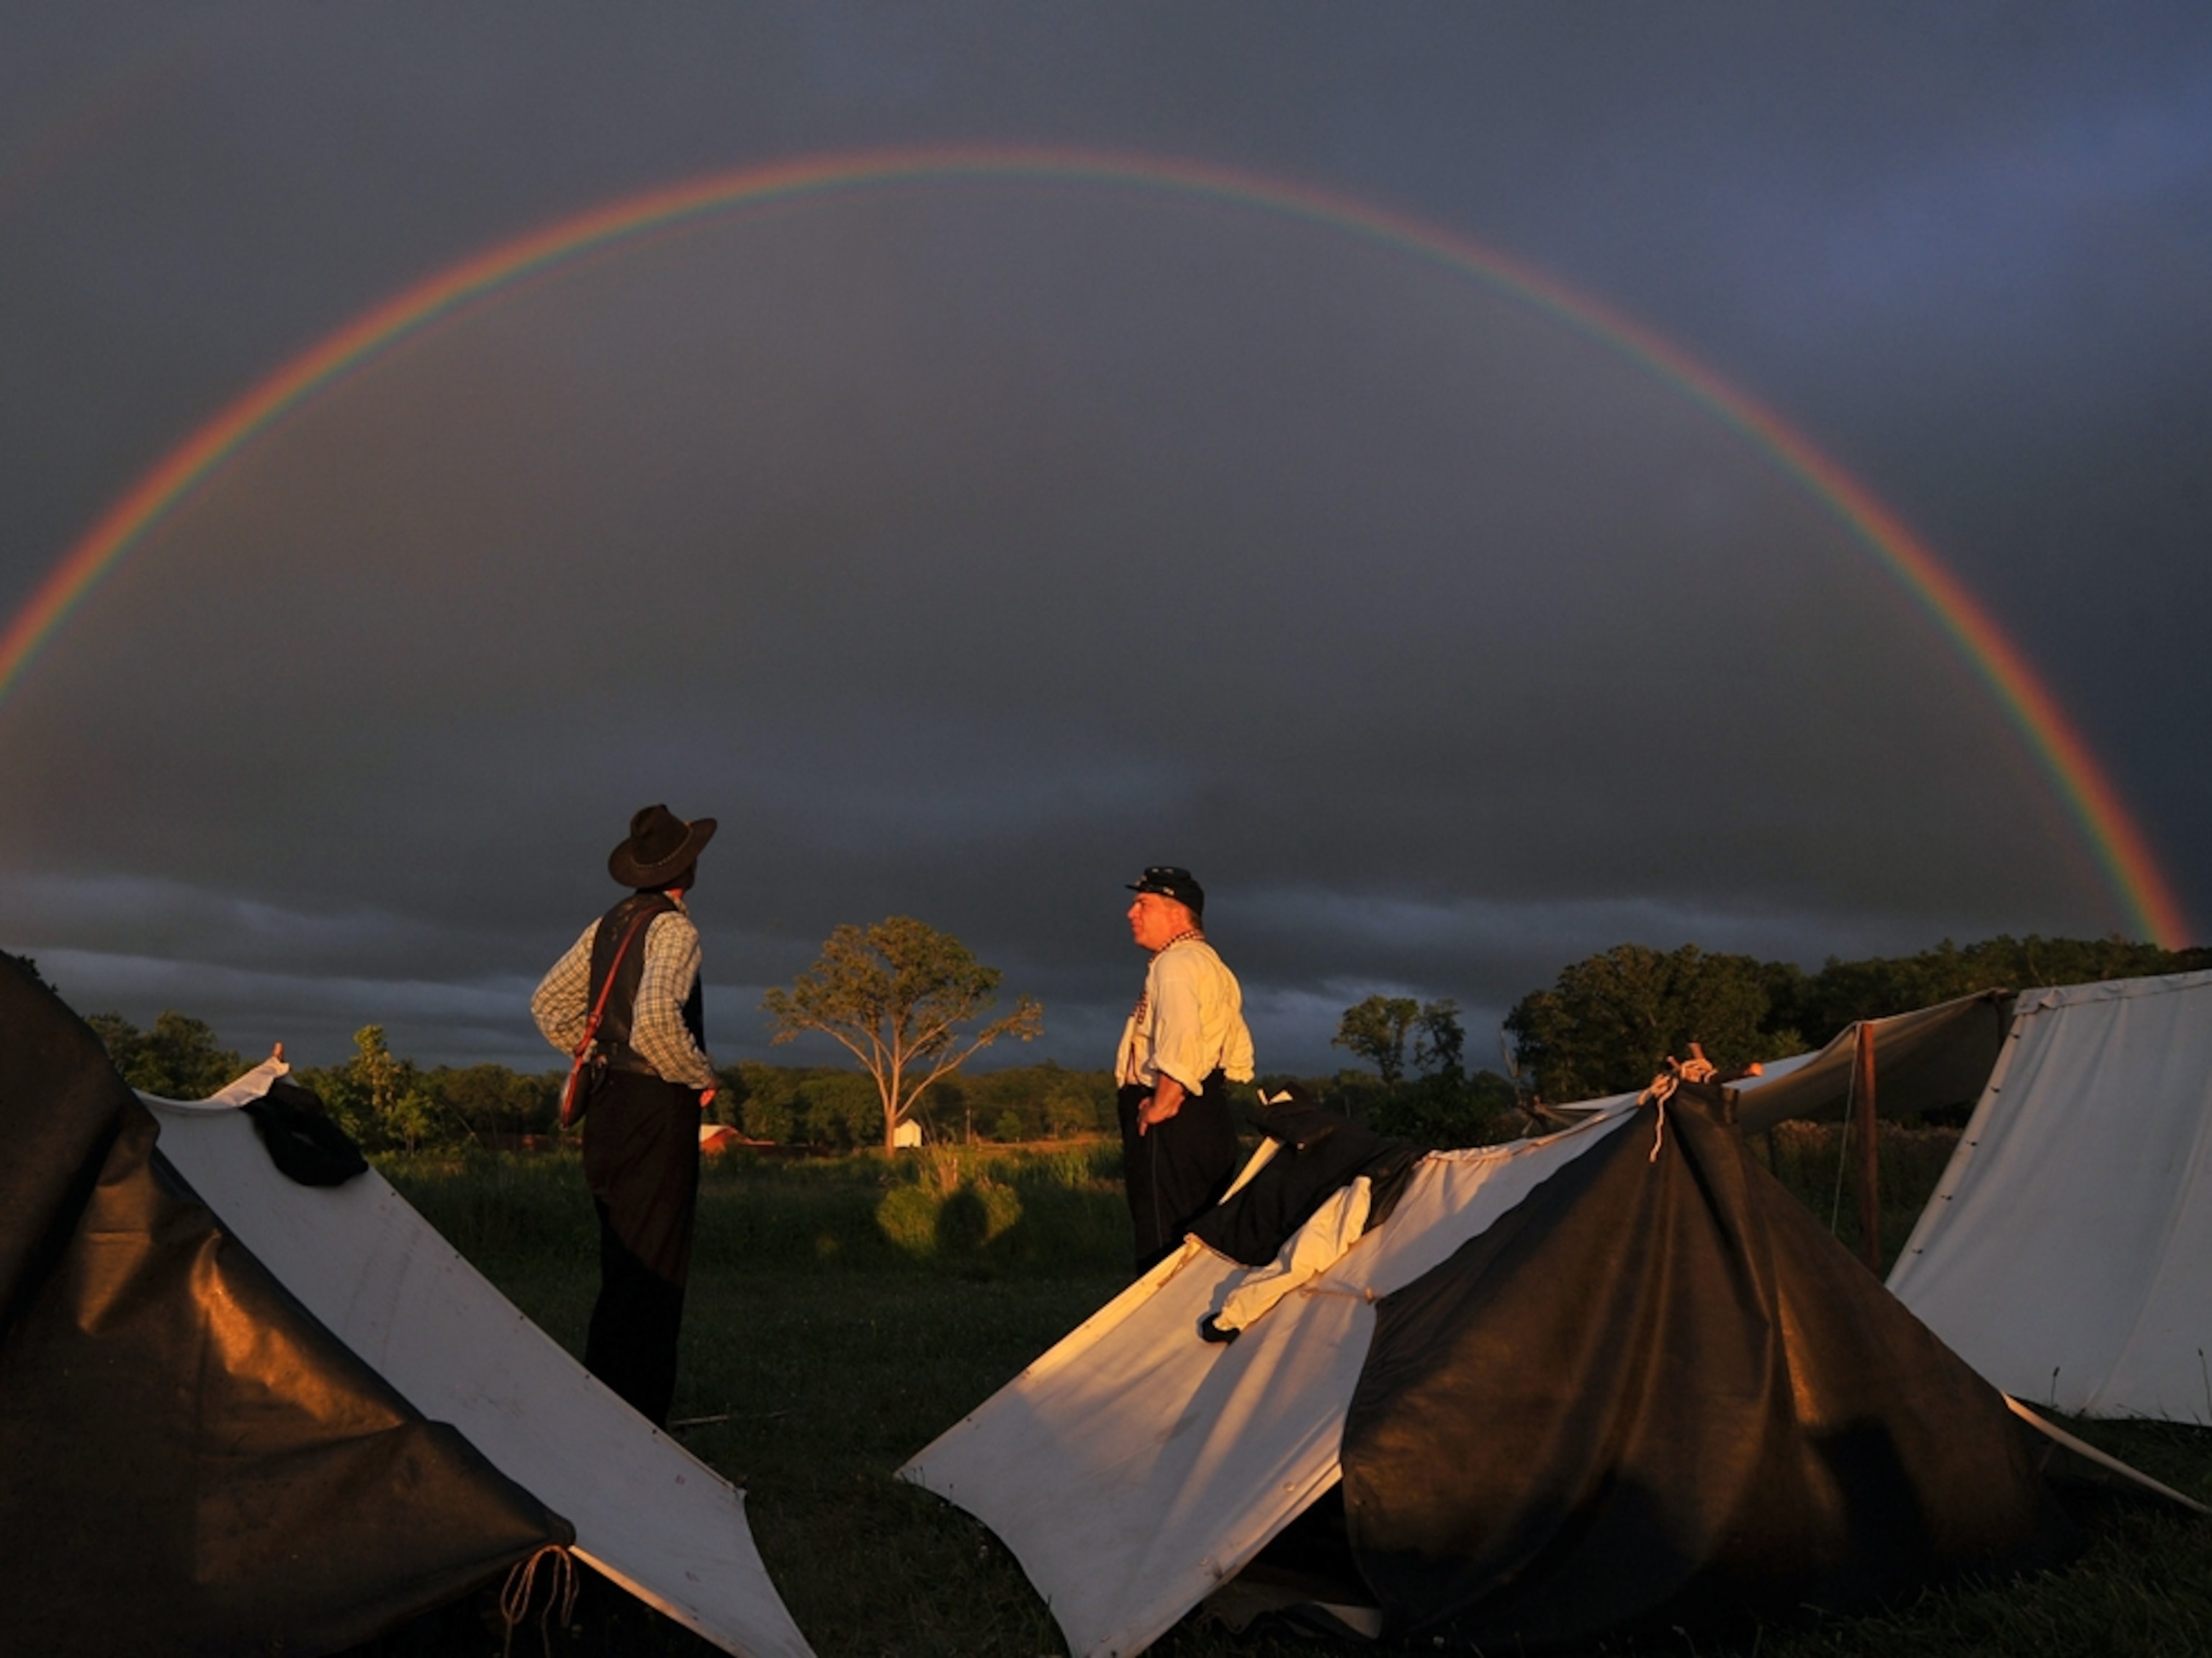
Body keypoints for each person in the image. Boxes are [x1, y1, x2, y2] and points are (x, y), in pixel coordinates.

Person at [532, 804, 719, 1428]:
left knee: (621, 1264)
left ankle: (603, 1412)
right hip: (654, 1107)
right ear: (685, 870)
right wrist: (700, 1076)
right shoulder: (675, 930)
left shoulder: (609, 923)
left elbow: (547, 1007)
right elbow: (659, 1023)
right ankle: (641, 1426)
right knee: (656, 1270)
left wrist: (596, 1057)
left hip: (606, 1106)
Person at [1115, 865, 1256, 1272]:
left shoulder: (1174, 964)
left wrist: (1162, 1103)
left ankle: (1163, 1335)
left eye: (1143, 904)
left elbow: (1181, 1037)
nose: (1131, 913)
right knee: (1200, 1242)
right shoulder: (1211, 964)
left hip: (1175, 1117)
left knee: (1164, 1245)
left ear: (1177, 913)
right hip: (1207, 1112)